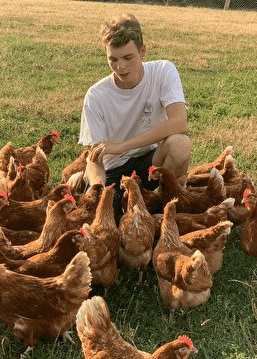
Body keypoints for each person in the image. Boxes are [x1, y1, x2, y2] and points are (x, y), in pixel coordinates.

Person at [79, 13, 191, 218]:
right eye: (112, 59)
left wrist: (122, 146)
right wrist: (97, 192)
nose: (120, 67)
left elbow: (179, 121)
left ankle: (165, 209)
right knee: (108, 225)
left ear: (142, 51)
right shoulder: (96, 95)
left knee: (180, 144)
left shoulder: (163, 71)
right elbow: (94, 160)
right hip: (114, 172)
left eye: (128, 58)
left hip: (150, 161)